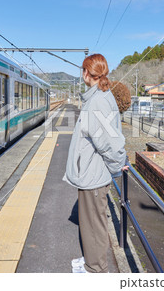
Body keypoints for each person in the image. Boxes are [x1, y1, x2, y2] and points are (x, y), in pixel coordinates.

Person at [63, 54, 128, 273]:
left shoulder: (98, 102)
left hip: (93, 175)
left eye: (82, 70)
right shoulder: (97, 96)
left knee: (94, 227)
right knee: (90, 224)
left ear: (86, 73)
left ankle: (96, 270)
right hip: (91, 172)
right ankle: (92, 263)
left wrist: (118, 165)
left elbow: (109, 142)